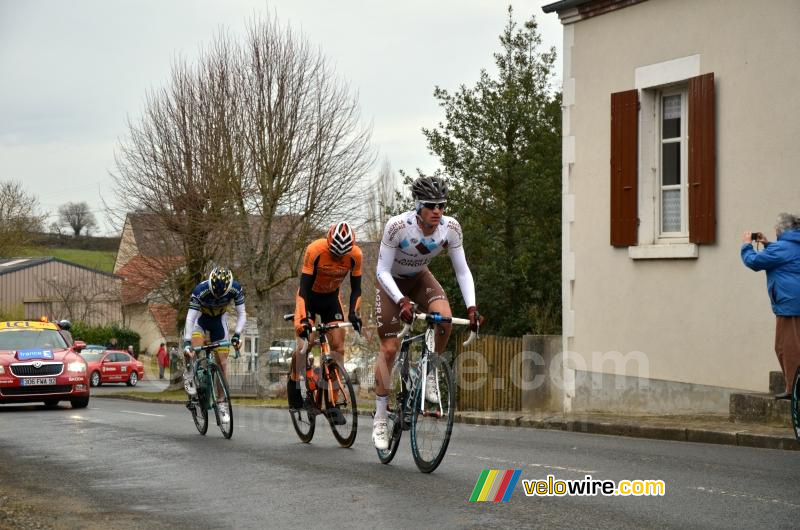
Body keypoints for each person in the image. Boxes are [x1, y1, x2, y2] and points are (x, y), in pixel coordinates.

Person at [372, 176, 482, 450]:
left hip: (420, 278)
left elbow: (462, 270)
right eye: (431, 205)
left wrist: (471, 308)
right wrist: (400, 301)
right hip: (391, 283)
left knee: (444, 319)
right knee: (389, 348)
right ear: (418, 206)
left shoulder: (450, 229)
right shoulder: (397, 227)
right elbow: (381, 270)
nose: (437, 211)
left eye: (442, 205)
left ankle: (430, 372)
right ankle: (381, 416)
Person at [287, 222, 363, 411]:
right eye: (335, 253)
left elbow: (357, 290)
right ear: (329, 243)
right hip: (309, 298)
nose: (338, 258)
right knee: (307, 342)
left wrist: (354, 313)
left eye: (341, 255)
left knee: (338, 346)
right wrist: (304, 319)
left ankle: (332, 402)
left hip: (331, 300)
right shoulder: (315, 250)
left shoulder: (355, 256)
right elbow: (303, 289)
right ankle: (294, 380)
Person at [741, 212, 800, 400]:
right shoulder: (792, 245)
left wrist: (746, 245)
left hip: (790, 305)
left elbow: (754, 262)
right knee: (787, 346)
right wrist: (767, 245)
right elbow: (784, 255)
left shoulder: (782, 248)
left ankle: (793, 390)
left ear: (781, 229)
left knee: (786, 348)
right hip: (793, 303)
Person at [182, 266, 246, 423]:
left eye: (220, 294)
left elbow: (242, 313)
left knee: (222, 363)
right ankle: (189, 375)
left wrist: (237, 334)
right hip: (200, 320)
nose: (217, 296)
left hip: (219, 322)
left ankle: (222, 402)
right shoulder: (200, 289)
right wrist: (187, 342)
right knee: (193, 350)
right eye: (214, 292)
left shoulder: (235, 289)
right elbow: (190, 318)